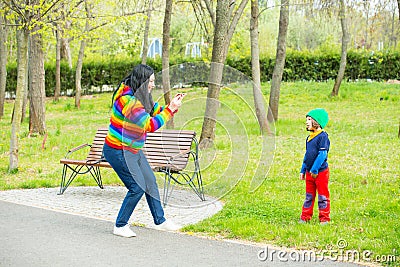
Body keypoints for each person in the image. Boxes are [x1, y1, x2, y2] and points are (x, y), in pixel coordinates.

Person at [103, 64, 185, 237]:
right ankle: (120, 225)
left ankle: (160, 221)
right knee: (137, 187)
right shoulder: (128, 101)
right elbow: (149, 124)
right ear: (142, 81)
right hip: (118, 151)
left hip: (133, 150)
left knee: (150, 182)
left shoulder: (140, 96)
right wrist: (169, 111)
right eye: (151, 81)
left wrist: (172, 106)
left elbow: (155, 110)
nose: (153, 85)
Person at [299, 108, 330, 225]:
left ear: (317, 122)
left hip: (320, 172)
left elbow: (322, 154)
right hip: (309, 172)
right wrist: (303, 169)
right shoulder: (309, 138)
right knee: (309, 196)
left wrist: (315, 169)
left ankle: (324, 218)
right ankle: (305, 216)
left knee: (323, 196)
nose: (307, 122)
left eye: (309, 119)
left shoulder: (323, 137)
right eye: (306, 119)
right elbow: (307, 155)